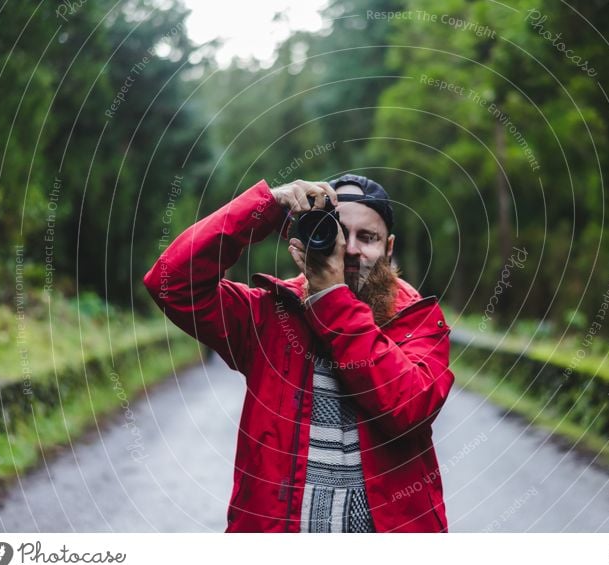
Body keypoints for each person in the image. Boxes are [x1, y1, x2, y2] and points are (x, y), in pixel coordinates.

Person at [142, 174, 454, 532]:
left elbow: (407, 408)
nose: (349, 250)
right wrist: (265, 208)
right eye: (338, 233)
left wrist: (331, 296)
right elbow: (171, 283)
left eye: (367, 237)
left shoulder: (419, 321)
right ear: (308, 235)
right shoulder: (271, 316)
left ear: (389, 247)